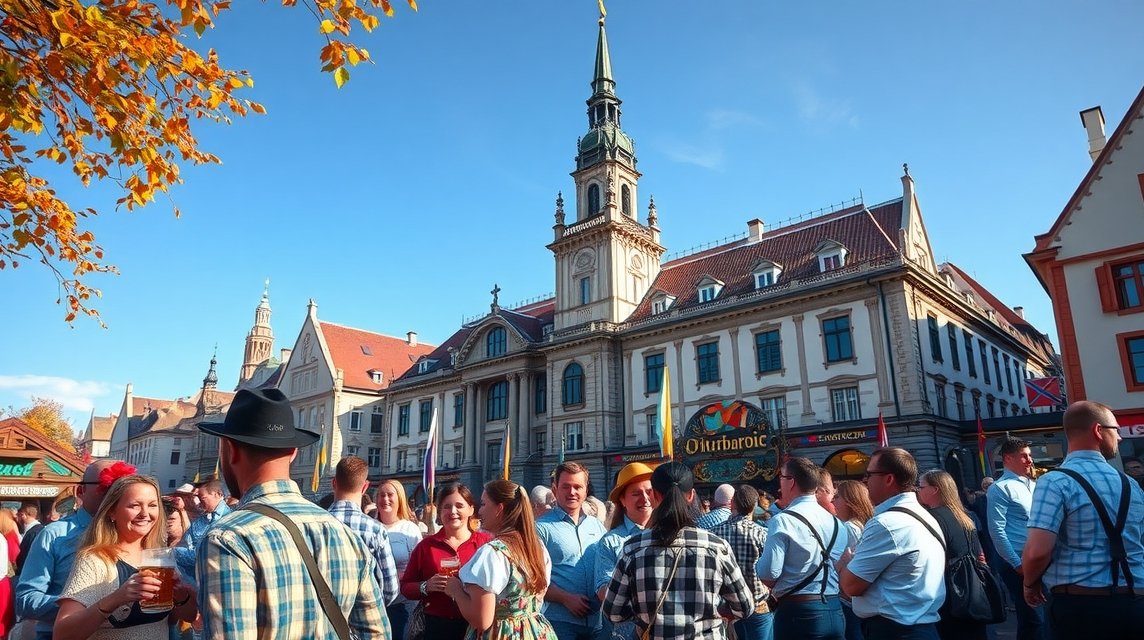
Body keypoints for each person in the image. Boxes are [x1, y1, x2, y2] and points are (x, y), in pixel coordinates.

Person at [194, 387, 388, 638]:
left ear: (230, 450)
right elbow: (377, 633)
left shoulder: (227, 539)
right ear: (293, 451)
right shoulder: (346, 535)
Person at [1022, 401, 1144, 639]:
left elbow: (1037, 551)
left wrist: (1029, 584)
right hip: (1136, 602)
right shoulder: (1130, 484)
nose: (1119, 437)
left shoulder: (1055, 482)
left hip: (1081, 606)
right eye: (1115, 430)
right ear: (1098, 431)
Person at [603, 462, 752, 639]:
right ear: (691, 496)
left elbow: (613, 611)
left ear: (655, 496)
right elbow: (744, 607)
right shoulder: (717, 547)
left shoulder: (632, 549)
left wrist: (643, 612)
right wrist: (714, 607)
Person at [53, 474, 197, 640]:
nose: (145, 513)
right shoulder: (96, 560)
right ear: (112, 512)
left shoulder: (160, 558)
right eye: (135, 505)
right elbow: (62, 634)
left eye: (152, 505)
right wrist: (117, 598)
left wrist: (181, 596)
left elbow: (188, 616)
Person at [838, 447, 945, 640]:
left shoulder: (886, 523)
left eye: (869, 474)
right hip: (921, 626)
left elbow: (850, 586)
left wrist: (846, 561)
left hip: (895, 630)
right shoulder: (925, 516)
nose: (865, 480)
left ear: (888, 479)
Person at [16, 459, 126, 640]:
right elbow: (26, 600)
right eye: (107, 485)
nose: (116, 493)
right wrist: (82, 606)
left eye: (123, 486)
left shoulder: (134, 534)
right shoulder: (54, 534)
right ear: (80, 491)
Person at [444, 479, 556, 639]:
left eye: (483, 504)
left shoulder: (493, 553)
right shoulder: (536, 547)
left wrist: (456, 591)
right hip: (535, 630)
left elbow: (482, 620)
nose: (479, 512)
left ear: (499, 508)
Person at [757, 457, 845, 640]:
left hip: (798, 612)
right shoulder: (837, 523)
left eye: (781, 477)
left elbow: (768, 575)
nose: (779, 484)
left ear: (792, 482)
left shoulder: (783, 521)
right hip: (835, 608)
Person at [401, 482, 492, 640]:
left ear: (471, 509)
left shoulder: (485, 544)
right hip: (437, 626)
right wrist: (425, 586)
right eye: (447, 506)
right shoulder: (426, 547)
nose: (453, 512)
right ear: (439, 510)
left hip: (474, 625)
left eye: (459, 506)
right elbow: (406, 587)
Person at [536, 462, 607, 640]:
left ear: (586, 490)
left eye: (578, 487)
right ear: (555, 489)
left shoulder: (597, 526)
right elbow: (533, 579)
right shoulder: (541, 528)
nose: (572, 492)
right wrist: (565, 598)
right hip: (559, 621)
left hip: (597, 622)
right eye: (565, 486)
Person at [917, 470, 987, 640]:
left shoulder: (931, 518)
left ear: (935, 490)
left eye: (921, 486)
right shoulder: (964, 515)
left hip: (949, 590)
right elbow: (980, 555)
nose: (917, 490)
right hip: (973, 587)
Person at [986, 436, 1044, 640]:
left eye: (1029, 456)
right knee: (1034, 618)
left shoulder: (1034, 485)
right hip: (1018, 562)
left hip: (1039, 559)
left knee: (1039, 618)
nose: (1030, 460)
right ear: (1008, 459)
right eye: (1024, 456)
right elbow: (997, 531)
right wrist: (1017, 564)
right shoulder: (1000, 489)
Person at [592, 462, 655, 640]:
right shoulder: (611, 542)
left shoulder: (668, 537)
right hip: (624, 633)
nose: (644, 498)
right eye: (636, 493)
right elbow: (603, 591)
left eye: (648, 492)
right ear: (622, 500)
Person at [328, 457, 399, 606]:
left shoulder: (315, 524)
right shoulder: (375, 530)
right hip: (364, 618)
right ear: (365, 487)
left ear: (334, 483)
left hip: (324, 619)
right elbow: (390, 588)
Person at [712, 485, 773, 640]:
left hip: (727, 610)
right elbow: (771, 571)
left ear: (733, 504)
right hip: (758, 605)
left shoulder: (714, 534)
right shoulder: (761, 534)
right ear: (755, 505)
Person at [376, 478, 423, 640]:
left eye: (390, 495)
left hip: (402, 604)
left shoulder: (409, 529)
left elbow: (419, 568)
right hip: (374, 605)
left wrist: (400, 576)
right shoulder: (370, 526)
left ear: (400, 499)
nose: (385, 499)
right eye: (381, 495)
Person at [831, 480, 873, 640]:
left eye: (837, 497)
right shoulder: (861, 525)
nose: (833, 501)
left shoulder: (849, 528)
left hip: (848, 598)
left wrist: (839, 563)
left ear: (849, 501)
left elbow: (848, 561)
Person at [173, 479, 230, 580]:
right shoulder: (200, 520)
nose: (198, 502)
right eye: (197, 498)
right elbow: (187, 543)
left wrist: (172, 553)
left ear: (218, 494)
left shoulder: (230, 518)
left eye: (202, 498)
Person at [16, 503, 44, 575]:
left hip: (28, 573)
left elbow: (27, 556)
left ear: (24, 515)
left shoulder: (33, 533)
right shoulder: (39, 530)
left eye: (20, 515)